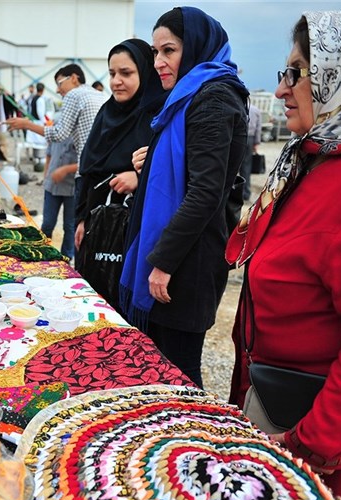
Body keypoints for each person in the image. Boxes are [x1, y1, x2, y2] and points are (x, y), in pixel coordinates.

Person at [225, 11, 341, 500]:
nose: (280, 89)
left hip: (331, 450)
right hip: (278, 406)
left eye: (296, 72)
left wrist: (311, 445)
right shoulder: (314, 158)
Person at [118, 7, 249, 388]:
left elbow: (206, 191)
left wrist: (162, 261)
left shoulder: (214, 97)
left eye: (169, 50)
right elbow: (196, 170)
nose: (158, 62)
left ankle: (193, 429)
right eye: (155, 52)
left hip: (188, 262)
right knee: (162, 367)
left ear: (195, 47)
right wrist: (152, 162)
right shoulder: (191, 94)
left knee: (180, 372)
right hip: (181, 254)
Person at [75, 38, 165, 310]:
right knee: (93, 301)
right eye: (112, 73)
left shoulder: (157, 117)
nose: (116, 81)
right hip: (97, 225)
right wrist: (82, 219)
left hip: (134, 230)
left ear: (145, 72)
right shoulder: (106, 113)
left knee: (124, 303)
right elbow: (87, 171)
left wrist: (140, 178)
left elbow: (173, 176)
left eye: (126, 73)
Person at [5, 64, 107, 249]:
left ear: (74, 78)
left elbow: (59, 134)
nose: (58, 90)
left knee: (75, 227)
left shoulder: (74, 95)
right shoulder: (100, 96)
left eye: (60, 83)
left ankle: (70, 261)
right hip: (103, 173)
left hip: (85, 173)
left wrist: (27, 125)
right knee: (90, 228)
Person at [40, 137, 77, 259]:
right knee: (47, 223)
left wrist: (66, 169)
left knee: (69, 226)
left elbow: (87, 162)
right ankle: (42, 253)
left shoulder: (83, 132)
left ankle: (66, 257)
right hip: (51, 186)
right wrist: (46, 177)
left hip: (72, 187)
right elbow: (49, 155)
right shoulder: (55, 132)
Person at [238, 103, 263, 201]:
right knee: (246, 166)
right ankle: (245, 193)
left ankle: (232, 191)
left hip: (238, 136)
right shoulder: (256, 110)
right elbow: (258, 128)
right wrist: (256, 142)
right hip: (250, 138)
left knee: (233, 165)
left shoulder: (239, 106)